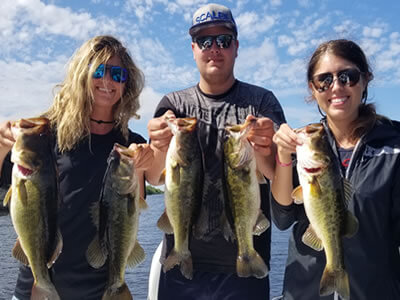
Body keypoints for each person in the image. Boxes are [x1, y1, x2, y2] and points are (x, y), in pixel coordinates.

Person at [146, 3, 286, 300]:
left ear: (236, 47)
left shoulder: (262, 102)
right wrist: (158, 142)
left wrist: (266, 146)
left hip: (243, 263)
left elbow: (275, 174)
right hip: (184, 266)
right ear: (193, 48)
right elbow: (157, 178)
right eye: (205, 41)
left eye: (223, 40)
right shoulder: (175, 104)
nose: (214, 49)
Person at [0, 35, 154, 299]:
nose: (108, 81)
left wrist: (149, 159)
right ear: (82, 73)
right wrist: (2, 147)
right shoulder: (43, 135)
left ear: (127, 84)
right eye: (99, 70)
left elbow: (136, 203)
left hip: (101, 291)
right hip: (37, 289)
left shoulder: (132, 147)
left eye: (118, 74)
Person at [271, 39, 400, 300]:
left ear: (365, 79)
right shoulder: (305, 142)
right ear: (313, 88)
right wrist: (283, 157)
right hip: (305, 292)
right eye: (324, 80)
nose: (337, 87)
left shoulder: (395, 144)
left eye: (347, 76)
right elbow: (283, 217)